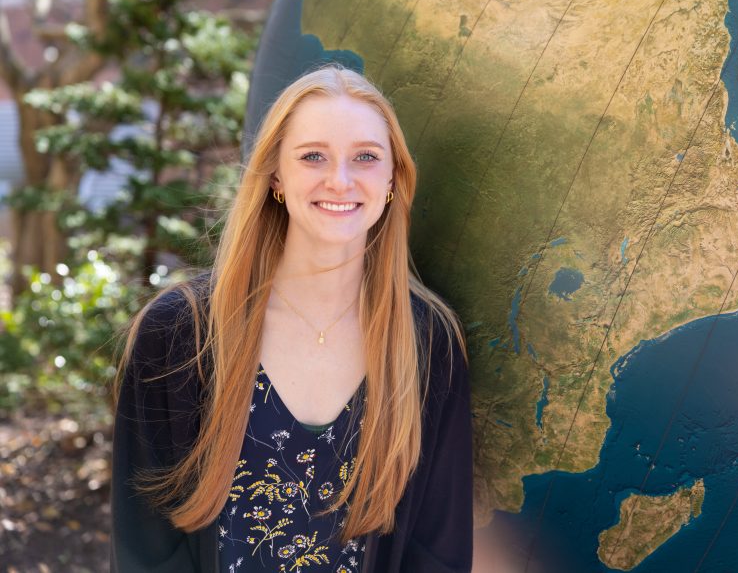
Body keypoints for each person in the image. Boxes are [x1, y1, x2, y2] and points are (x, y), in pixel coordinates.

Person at [111, 65, 473, 572]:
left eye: (366, 157)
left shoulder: (429, 342)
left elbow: (438, 552)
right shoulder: (178, 333)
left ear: (393, 177)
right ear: (276, 174)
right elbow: (145, 549)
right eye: (313, 156)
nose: (340, 180)